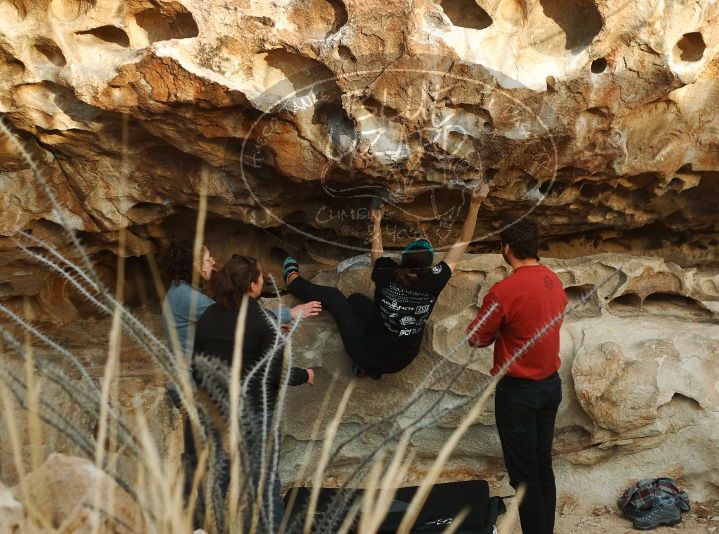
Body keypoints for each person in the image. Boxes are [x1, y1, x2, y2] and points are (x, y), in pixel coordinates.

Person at [277, 183, 490, 378]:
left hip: (367, 352)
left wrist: (377, 222)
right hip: (403, 359)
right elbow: (464, 241)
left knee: (334, 297)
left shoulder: (387, 272)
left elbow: (376, 254)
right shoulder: (436, 279)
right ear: (429, 265)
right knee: (356, 301)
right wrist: (475, 204)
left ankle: (293, 281)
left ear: (403, 259)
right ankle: (369, 367)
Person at [193, 254, 316, 532]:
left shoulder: (209, 316)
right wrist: (305, 375)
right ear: (252, 286)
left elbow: (198, 366)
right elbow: (277, 374)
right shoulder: (263, 321)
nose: (262, 280)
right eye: (260, 277)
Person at [466, 219, 567, 534]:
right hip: (551, 386)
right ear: (535, 246)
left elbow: (476, 337)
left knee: (524, 478)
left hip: (519, 393)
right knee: (542, 469)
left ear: (506, 248)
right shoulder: (554, 280)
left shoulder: (504, 289)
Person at [162, 240, 322, 358]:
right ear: (197, 266)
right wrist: (291, 313)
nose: (213, 262)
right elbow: (240, 320)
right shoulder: (191, 298)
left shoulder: (179, 289)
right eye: (208, 259)